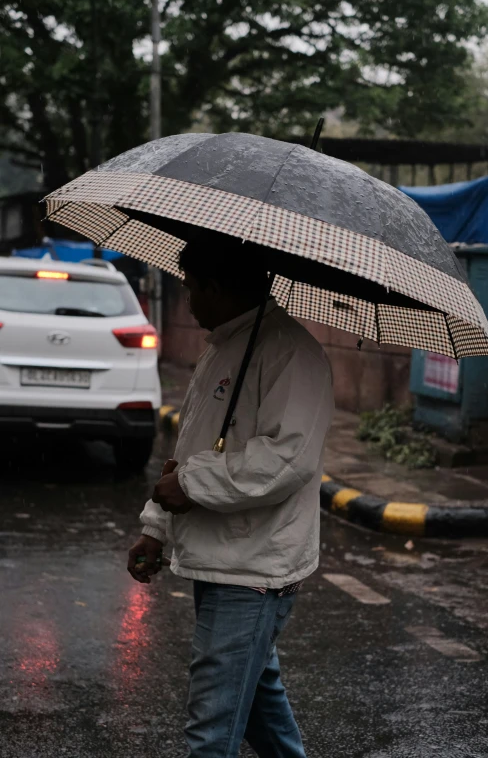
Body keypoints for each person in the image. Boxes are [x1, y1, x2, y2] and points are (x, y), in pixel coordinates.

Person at [127, 231, 334, 757]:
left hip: (252, 569)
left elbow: (287, 459)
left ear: (217, 287)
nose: (188, 300)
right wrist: (156, 527)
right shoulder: (223, 348)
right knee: (262, 715)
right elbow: (190, 446)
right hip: (219, 557)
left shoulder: (290, 353)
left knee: (211, 732)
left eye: (192, 287)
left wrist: (193, 486)